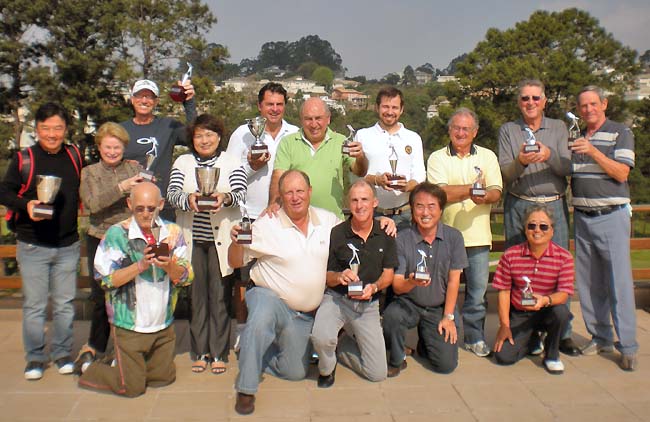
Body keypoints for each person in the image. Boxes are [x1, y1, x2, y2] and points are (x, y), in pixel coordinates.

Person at [227, 170, 340, 415]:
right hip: (270, 297)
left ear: (310, 192)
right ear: (281, 196)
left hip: (304, 315)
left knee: (295, 373)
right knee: (261, 317)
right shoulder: (267, 223)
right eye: (288, 192)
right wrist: (236, 242)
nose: (295, 197)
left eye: (300, 191)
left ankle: (251, 349)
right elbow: (236, 262)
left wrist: (384, 222)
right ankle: (246, 388)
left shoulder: (328, 221)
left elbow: (355, 235)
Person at [78, 182, 193, 397]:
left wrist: (168, 264)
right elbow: (104, 280)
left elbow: (186, 277)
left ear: (161, 204)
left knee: (163, 379)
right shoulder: (116, 234)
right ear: (130, 204)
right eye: (140, 208)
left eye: (151, 208)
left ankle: (122, 363)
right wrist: (140, 266)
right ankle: (88, 367)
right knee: (132, 388)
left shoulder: (173, 232)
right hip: (129, 326)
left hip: (163, 325)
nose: (146, 213)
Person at [0, 102, 83, 380]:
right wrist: (27, 206)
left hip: (68, 244)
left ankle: (61, 353)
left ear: (65, 130)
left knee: (64, 304)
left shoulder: (74, 155)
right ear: (37, 130)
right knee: (35, 305)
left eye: (57, 128)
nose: (52, 134)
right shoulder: (24, 158)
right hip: (33, 244)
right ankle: (35, 358)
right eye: (46, 128)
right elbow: (5, 192)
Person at [498, 79, 578, 357]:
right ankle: (528, 332)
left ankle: (561, 333)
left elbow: (569, 167)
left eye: (535, 98)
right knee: (517, 271)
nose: (530, 103)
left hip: (553, 206)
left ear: (544, 101)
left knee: (559, 270)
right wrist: (520, 161)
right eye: (524, 99)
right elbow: (505, 175)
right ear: (518, 103)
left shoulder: (558, 127)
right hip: (519, 206)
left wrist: (549, 156)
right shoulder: (509, 130)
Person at [167, 114, 244, 374]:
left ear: (219, 137)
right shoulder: (183, 162)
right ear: (192, 138)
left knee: (220, 297)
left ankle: (219, 352)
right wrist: (188, 199)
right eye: (199, 135)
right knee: (197, 297)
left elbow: (240, 193)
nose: (204, 140)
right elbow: (172, 194)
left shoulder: (231, 161)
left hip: (222, 239)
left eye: (209, 134)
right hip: (192, 238)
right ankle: (200, 350)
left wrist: (225, 197)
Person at [227, 82, 298, 350]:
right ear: (259, 106)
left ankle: (282, 330)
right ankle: (243, 330)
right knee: (244, 277)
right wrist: (252, 165)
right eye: (270, 104)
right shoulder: (242, 134)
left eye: (280, 104)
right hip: (248, 214)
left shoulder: (295, 133)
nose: (275, 109)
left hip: (282, 216)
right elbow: (231, 175)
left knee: (280, 275)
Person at [571, 86, 638, 371]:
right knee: (588, 283)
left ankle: (628, 346)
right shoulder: (575, 136)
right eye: (583, 106)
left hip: (611, 214)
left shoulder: (620, 132)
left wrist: (593, 151)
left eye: (593, 104)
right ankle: (600, 337)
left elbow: (621, 172)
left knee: (618, 283)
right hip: (582, 215)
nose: (588, 110)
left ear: (604, 104)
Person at [427, 108, 502, 358]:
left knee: (477, 294)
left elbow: (495, 191)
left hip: (478, 237)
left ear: (475, 132)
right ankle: (447, 335)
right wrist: (472, 190)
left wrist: (484, 197)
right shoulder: (437, 158)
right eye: (456, 128)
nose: (461, 133)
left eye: (466, 129)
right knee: (443, 290)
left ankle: (475, 337)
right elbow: (439, 194)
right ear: (449, 130)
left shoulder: (488, 156)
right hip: (446, 236)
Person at [311, 179, 397, 387]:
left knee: (377, 374)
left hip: (368, 305)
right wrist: (340, 277)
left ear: (375, 202)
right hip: (338, 299)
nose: (360, 206)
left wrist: (374, 287)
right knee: (321, 338)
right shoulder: (338, 233)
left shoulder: (386, 233)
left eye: (365, 200)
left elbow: (388, 274)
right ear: (348, 204)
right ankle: (327, 368)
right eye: (355, 200)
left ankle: (342, 347)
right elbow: (328, 276)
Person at [75, 122, 144, 372]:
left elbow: (141, 199)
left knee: (130, 294)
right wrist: (121, 188)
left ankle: (127, 347)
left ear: (124, 148)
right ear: (99, 147)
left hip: (128, 236)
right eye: (108, 147)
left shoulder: (134, 167)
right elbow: (92, 204)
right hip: (101, 238)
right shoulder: (89, 172)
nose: (113, 151)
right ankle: (96, 344)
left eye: (117, 147)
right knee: (100, 295)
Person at [383, 182, 468, 376]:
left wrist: (448, 317)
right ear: (412, 209)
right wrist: (411, 281)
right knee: (392, 316)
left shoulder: (454, 237)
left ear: (440, 209)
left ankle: (425, 343)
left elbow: (454, 281)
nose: (425, 212)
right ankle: (397, 359)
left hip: (438, 306)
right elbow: (397, 286)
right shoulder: (402, 238)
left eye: (431, 206)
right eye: (419, 206)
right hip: (409, 303)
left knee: (446, 366)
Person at [492, 205, 574, 374]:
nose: (537, 230)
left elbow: (564, 294)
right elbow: (504, 291)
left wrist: (545, 300)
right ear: (525, 229)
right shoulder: (510, 255)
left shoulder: (564, 257)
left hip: (547, 309)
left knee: (561, 313)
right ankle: (531, 339)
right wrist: (504, 326)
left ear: (552, 231)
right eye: (532, 225)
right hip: (521, 312)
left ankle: (552, 355)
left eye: (543, 226)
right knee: (503, 357)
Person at [269, 97, 368, 218]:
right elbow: (278, 177)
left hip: (332, 221)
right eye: (308, 119)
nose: (314, 124)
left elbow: (360, 171)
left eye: (318, 118)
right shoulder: (288, 143)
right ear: (301, 120)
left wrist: (360, 157)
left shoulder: (341, 141)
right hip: (295, 221)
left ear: (328, 119)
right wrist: (273, 202)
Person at [121, 78, 196, 220]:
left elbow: (194, 138)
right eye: (139, 96)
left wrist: (189, 102)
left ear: (156, 102)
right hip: (130, 204)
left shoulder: (168, 126)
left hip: (161, 203)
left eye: (149, 97)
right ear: (132, 99)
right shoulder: (121, 129)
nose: (144, 100)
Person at [355, 86, 426, 230]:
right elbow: (356, 177)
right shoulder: (363, 136)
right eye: (385, 107)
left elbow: (419, 176)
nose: (389, 112)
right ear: (377, 107)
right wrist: (377, 180)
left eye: (394, 107)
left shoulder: (413, 138)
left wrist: (406, 186)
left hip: (405, 215)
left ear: (401, 109)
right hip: (372, 214)